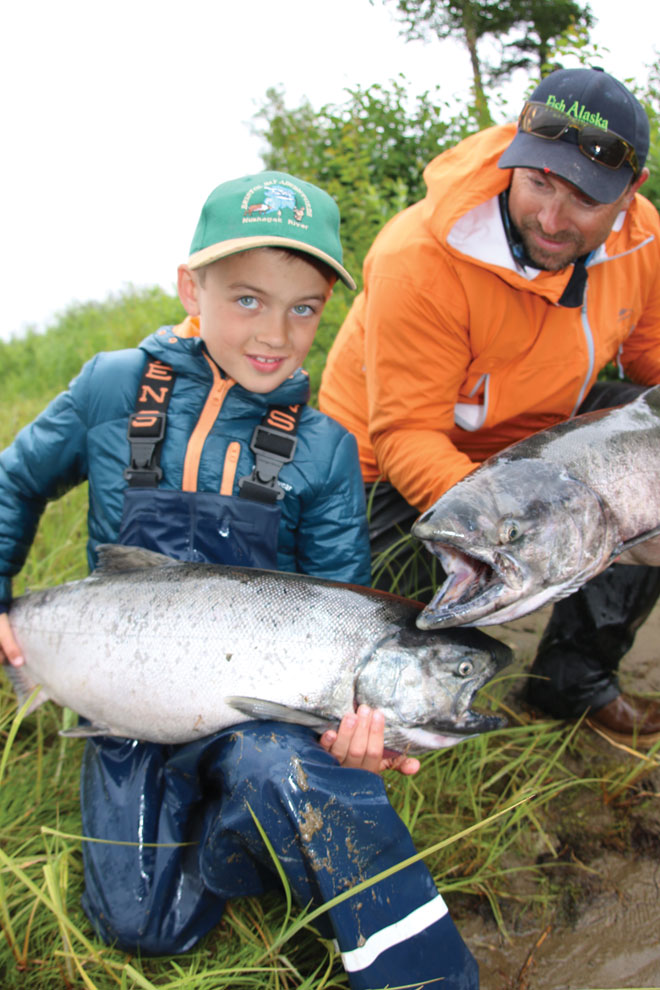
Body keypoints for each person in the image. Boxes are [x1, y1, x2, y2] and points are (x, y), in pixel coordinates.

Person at [0, 171, 478, 989]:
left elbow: (343, 601)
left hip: (257, 715)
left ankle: (426, 975)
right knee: (147, 929)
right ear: (191, 286)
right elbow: (15, 482)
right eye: (247, 299)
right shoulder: (111, 387)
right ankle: (225, 832)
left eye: (303, 308)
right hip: (124, 698)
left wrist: (355, 741)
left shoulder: (324, 448)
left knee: (289, 774)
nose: (276, 333)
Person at [319, 67, 660, 749]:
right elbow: (407, 434)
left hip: (536, 442)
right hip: (382, 463)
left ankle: (574, 682)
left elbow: (651, 363)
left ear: (629, 195)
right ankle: (398, 717)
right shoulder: (420, 257)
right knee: (392, 603)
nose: (552, 218)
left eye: (585, 200)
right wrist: (539, 526)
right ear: (514, 154)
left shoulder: (641, 239)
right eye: (538, 183)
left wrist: (621, 516)